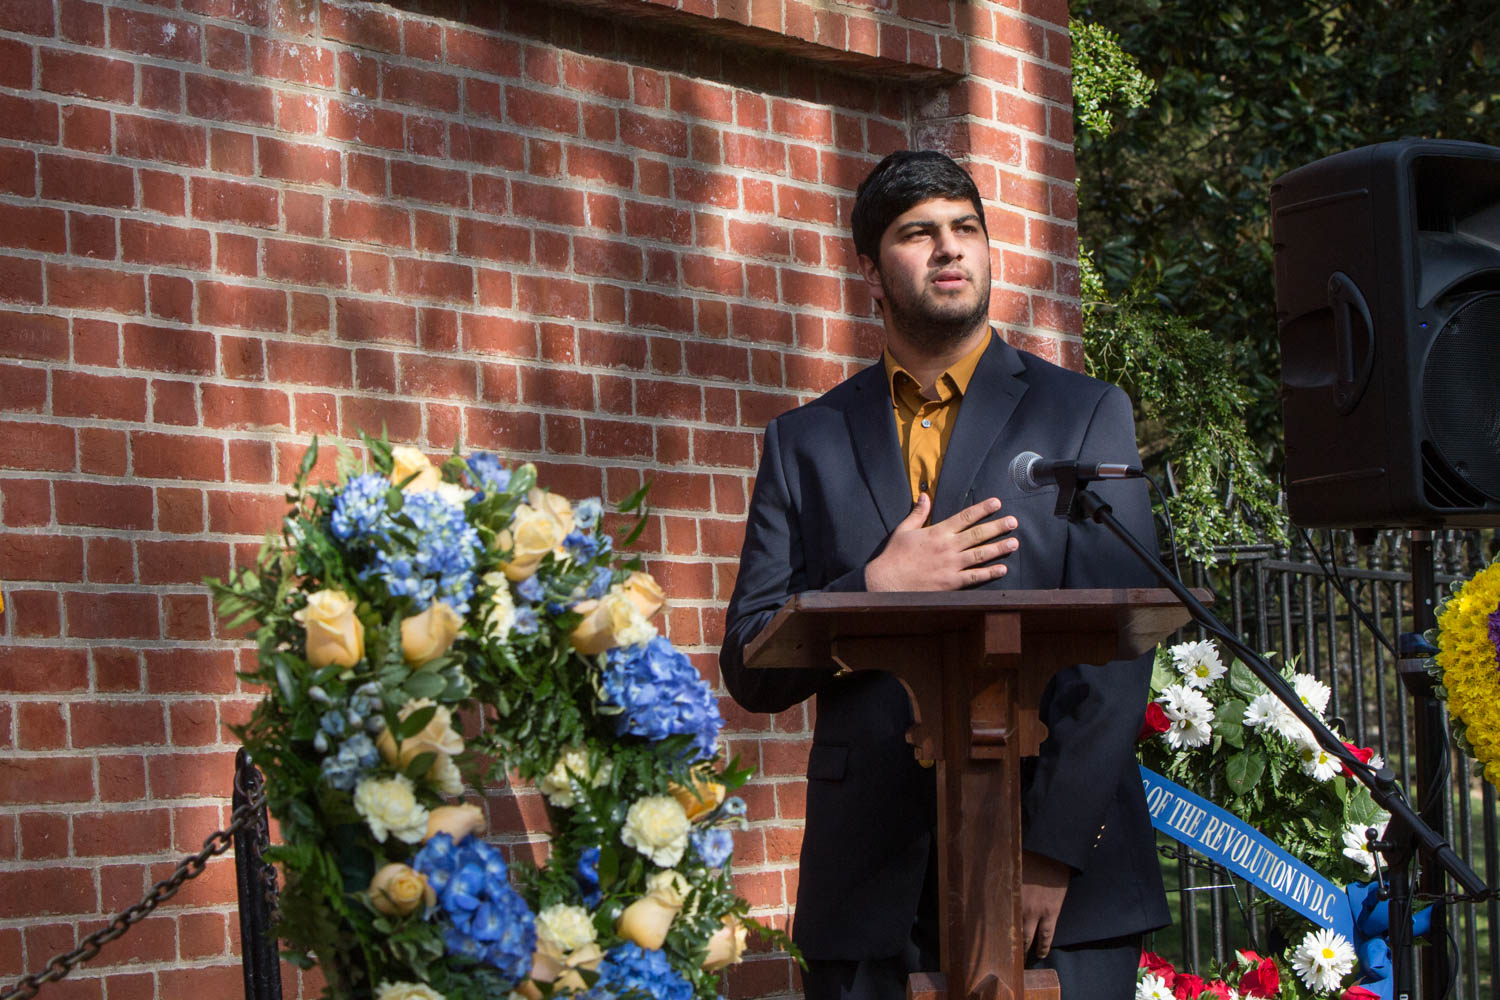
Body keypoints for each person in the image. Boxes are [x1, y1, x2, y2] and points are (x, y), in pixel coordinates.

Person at [719, 150, 1169, 1000]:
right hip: (870, 886)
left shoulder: (1082, 414)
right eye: (917, 234)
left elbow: (1119, 653)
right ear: (871, 272)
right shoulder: (803, 442)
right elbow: (749, 663)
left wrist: (1052, 848)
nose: (949, 249)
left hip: (1054, 880)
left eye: (966, 229)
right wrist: (872, 588)